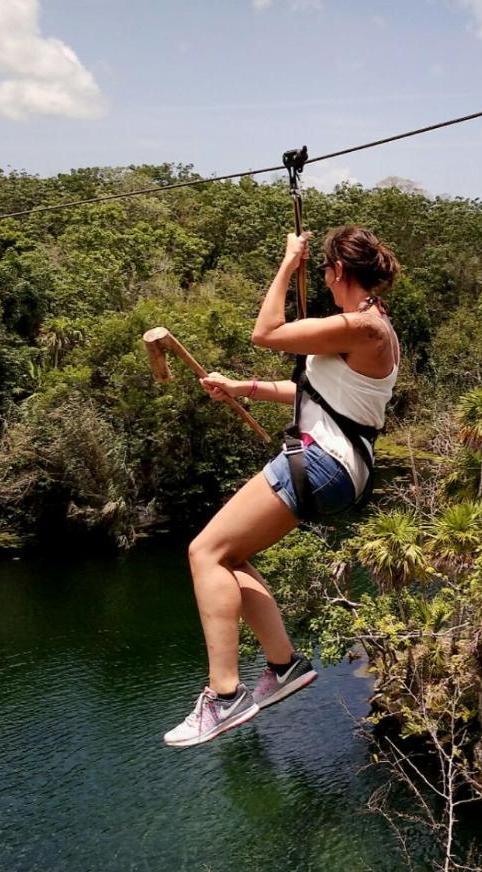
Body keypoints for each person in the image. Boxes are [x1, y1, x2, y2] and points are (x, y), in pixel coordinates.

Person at [163, 225, 401, 747]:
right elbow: (310, 389)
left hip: (322, 462)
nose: (318, 275)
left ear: (337, 270)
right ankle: (284, 666)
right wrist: (242, 387)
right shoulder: (368, 326)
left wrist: (287, 263)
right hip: (335, 467)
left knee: (204, 552)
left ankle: (224, 696)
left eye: (322, 268)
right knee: (231, 559)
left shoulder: (363, 327)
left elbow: (264, 331)